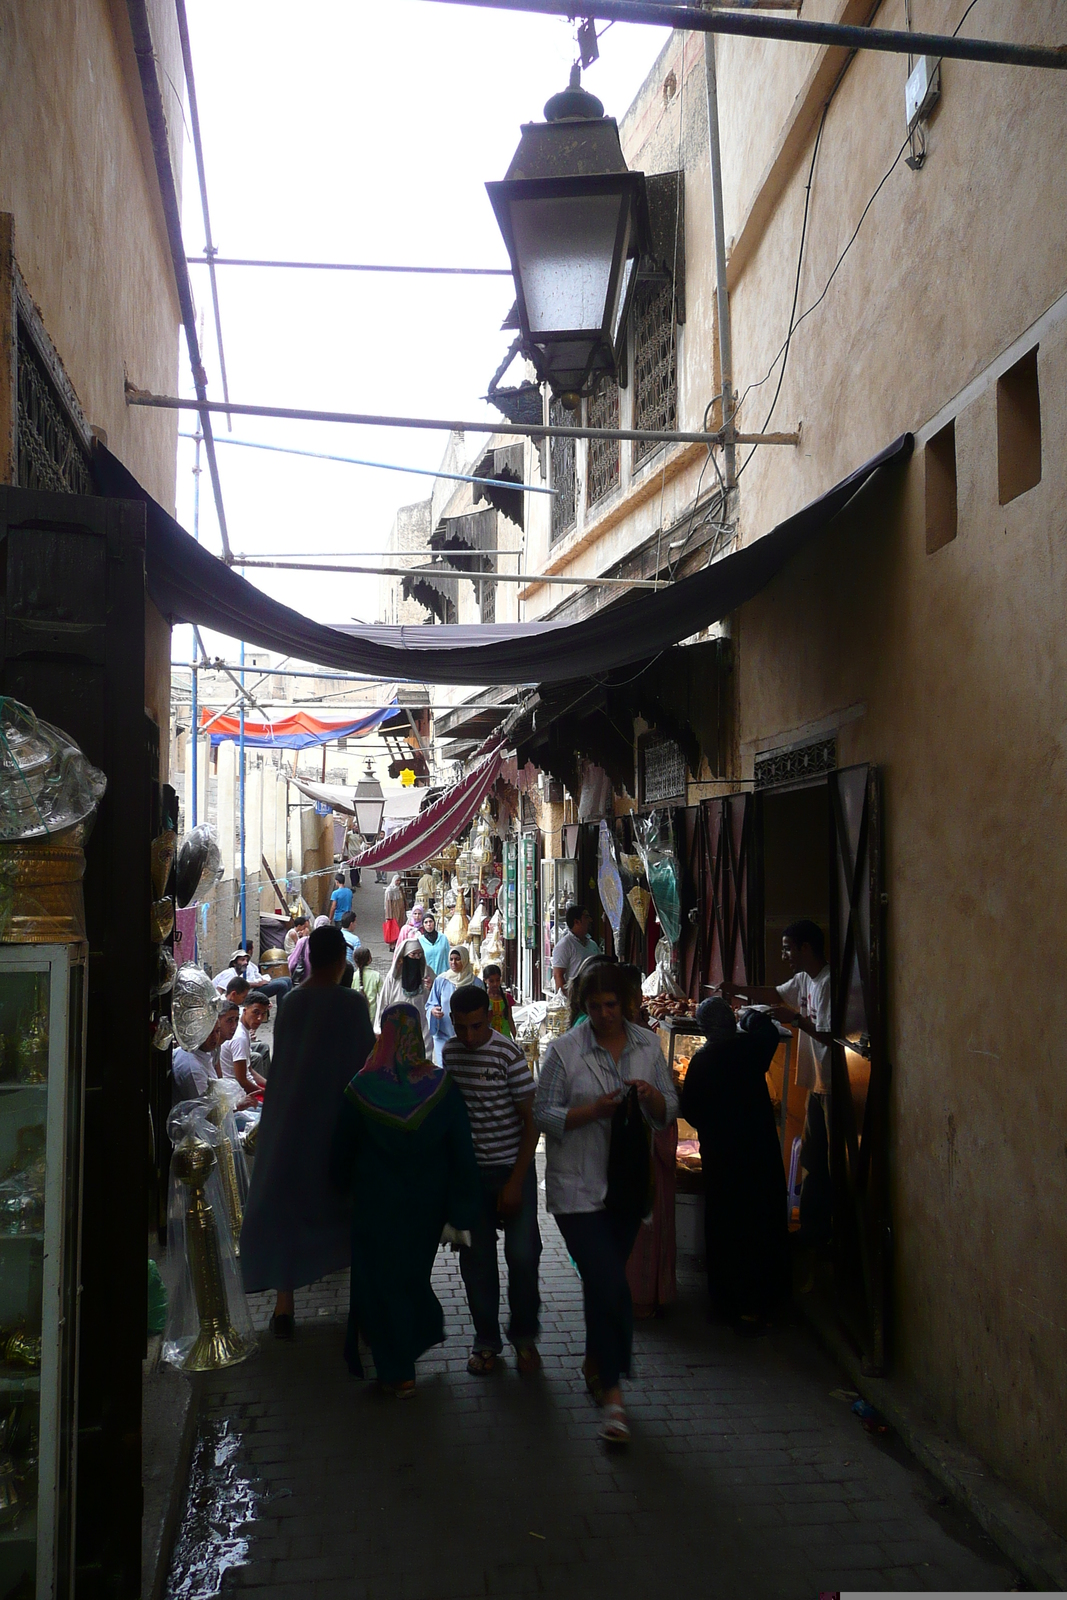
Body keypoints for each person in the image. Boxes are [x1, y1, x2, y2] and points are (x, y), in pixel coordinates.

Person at [534, 963, 677, 1444]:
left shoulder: (648, 1046)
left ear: (627, 1003)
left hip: (626, 1188)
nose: (603, 1015)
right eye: (594, 1007)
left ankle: (597, 1362)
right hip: (577, 1189)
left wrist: (652, 1096)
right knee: (612, 1283)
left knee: (602, 1284)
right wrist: (592, 1111)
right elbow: (543, 1114)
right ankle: (614, 1398)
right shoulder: (564, 1051)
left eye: (610, 1006)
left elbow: (668, 1111)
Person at [330, 1004, 482, 1395]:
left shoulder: (361, 1088)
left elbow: (341, 1150)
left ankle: (397, 1370)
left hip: (375, 1207)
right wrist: (461, 1208)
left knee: (381, 1283)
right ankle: (413, 1345)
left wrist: (338, 1191)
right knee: (410, 1277)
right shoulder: (441, 1087)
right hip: (425, 1209)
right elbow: (462, 1150)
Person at [241, 923, 375, 1339]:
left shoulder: (293, 1003)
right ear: (340, 961)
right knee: (351, 1206)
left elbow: (284, 1068)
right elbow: (363, 1063)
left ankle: (284, 1305)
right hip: (338, 1121)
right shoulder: (352, 1004)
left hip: (294, 1122)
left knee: (289, 1206)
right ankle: (363, 1304)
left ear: (311, 959)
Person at [445, 985, 541, 1376]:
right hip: (470, 1180)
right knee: (477, 1262)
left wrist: (517, 1182)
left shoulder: (507, 1054)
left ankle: (524, 1337)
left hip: (511, 1170)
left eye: (477, 1026)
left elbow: (532, 1120)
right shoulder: (450, 1054)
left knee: (523, 1256)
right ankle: (486, 1342)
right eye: (462, 1028)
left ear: (490, 1017)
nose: (469, 1036)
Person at [719, 919, 832, 1246]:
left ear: (805, 948)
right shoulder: (804, 979)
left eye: (787, 948)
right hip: (816, 1083)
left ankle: (824, 1235)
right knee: (813, 1158)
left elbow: (829, 1033)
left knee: (829, 1162)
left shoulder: (826, 983)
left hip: (833, 1083)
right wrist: (736, 989)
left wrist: (795, 1019)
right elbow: (775, 993)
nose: (784, 955)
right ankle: (812, 1232)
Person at [680, 999, 788, 1328]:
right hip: (759, 1156)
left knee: (727, 1228)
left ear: (703, 1029)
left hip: (723, 1160)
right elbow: (768, 1032)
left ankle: (728, 1303)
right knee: (760, 1224)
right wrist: (750, 1014)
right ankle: (766, 1301)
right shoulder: (750, 1051)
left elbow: (693, 1113)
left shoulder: (702, 1062)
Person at [427, 945, 482, 1066]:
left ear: (465, 959)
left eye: (457, 959)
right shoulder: (441, 980)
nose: (454, 962)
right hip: (443, 1035)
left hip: (468, 1036)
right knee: (444, 1070)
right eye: (451, 959)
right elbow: (431, 1003)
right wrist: (433, 1011)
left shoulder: (476, 984)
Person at [172, 1001, 239, 1101]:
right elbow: (206, 1109)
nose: (215, 1037)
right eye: (209, 1032)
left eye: (217, 1031)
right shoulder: (193, 1068)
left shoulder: (209, 1049)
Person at [375, 938, 432, 1050]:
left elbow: (435, 1001)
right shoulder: (393, 978)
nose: (417, 958)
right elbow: (384, 1002)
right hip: (397, 1029)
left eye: (419, 954)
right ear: (405, 957)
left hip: (421, 1029)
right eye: (413, 955)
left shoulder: (427, 975)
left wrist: (431, 987)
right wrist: (378, 1028)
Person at [220, 989, 271, 1097]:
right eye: (255, 1012)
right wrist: (267, 1093)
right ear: (244, 1010)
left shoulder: (244, 1030)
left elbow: (250, 1070)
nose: (259, 1018)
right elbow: (242, 1080)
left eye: (263, 1014)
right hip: (237, 1094)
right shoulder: (239, 1037)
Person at [551, 905, 601, 993]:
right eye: (586, 917)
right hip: (575, 996)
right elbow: (558, 975)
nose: (590, 920)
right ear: (576, 921)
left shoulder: (592, 945)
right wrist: (567, 999)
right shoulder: (564, 945)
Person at [482, 965, 516, 1039]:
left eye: (497, 980)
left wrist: (515, 1038)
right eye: (491, 981)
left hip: (506, 1038)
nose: (495, 984)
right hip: (489, 1039)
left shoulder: (507, 998)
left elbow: (510, 1020)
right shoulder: (483, 999)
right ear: (485, 980)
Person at [353, 946, 383, 1017]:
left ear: (355, 961)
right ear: (370, 959)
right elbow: (382, 995)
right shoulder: (376, 975)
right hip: (371, 1014)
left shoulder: (353, 976)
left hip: (355, 1012)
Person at [418, 911, 450, 977]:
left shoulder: (443, 938)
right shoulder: (420, 940)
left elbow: (448, 956)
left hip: (442, 975)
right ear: (423, 925)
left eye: (430, 921)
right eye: (426, 922)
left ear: (434, 923)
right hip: (427, 977)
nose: (428, 924)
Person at [383, 874, 406, 949]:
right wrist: (388, 916)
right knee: (393, 929)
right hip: (393, 913)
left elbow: (403, 899)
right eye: (397, 880)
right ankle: (392, 945)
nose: (398, 882)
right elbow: (388, 904)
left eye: (399, 880)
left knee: (400, 927)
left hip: (401, 911)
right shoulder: (389, 891)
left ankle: (398, 944)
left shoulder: (400, 889)